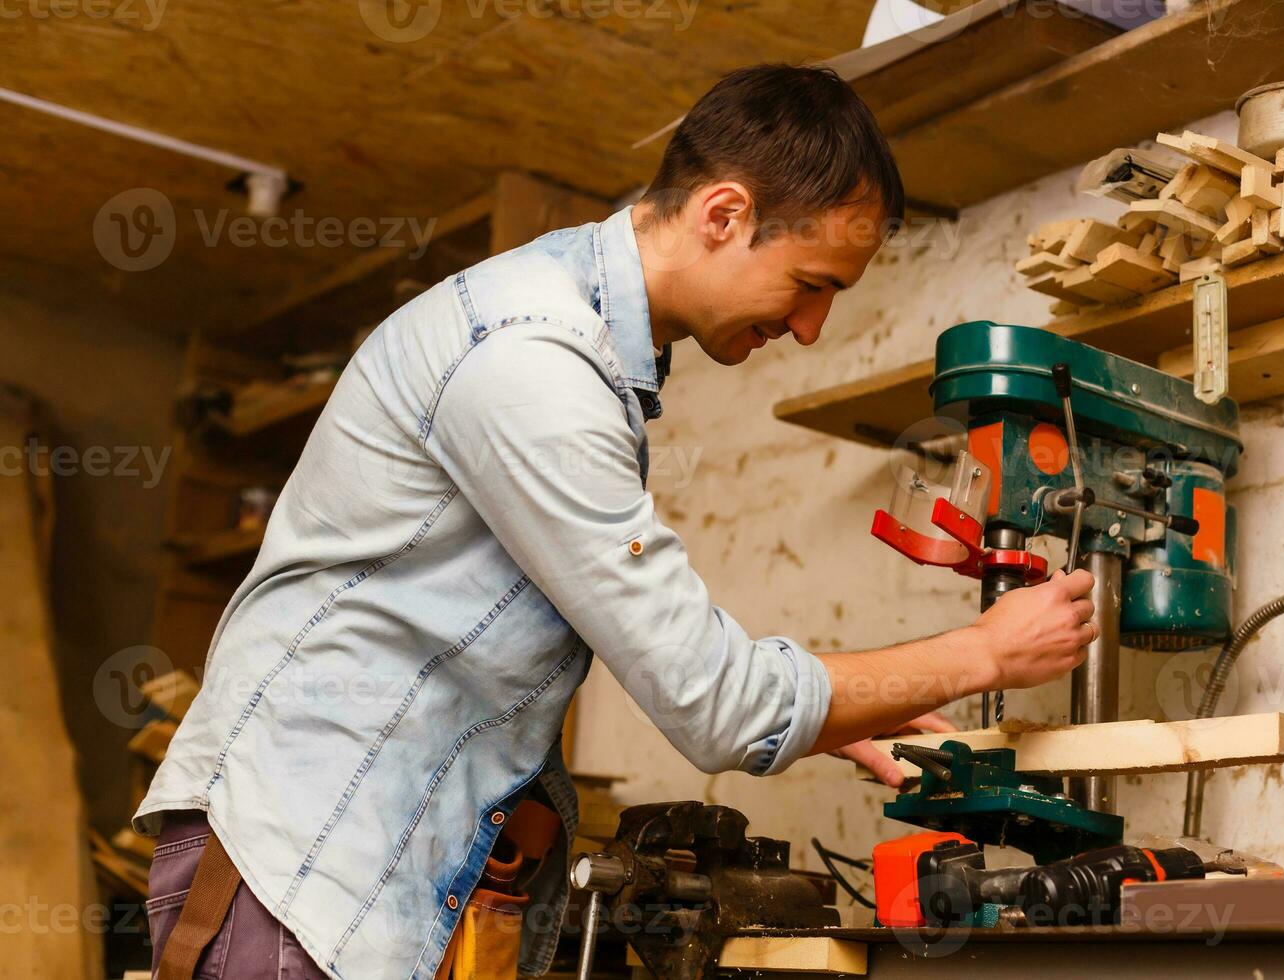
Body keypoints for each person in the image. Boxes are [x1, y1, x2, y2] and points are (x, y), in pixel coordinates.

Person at [137, 64, 1096, 980]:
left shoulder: (580, 344)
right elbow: (714, 702)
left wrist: (829, 710)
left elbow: (649, 636)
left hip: (359, 878)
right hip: (302, 882)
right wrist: (989, 652)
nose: (810, 328)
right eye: (812, 284)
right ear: (724, 214)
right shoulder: (534, 362)